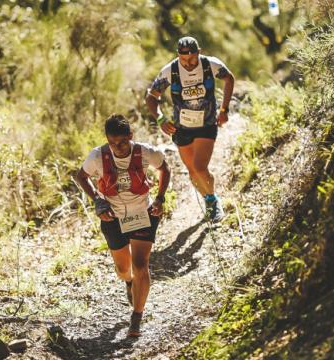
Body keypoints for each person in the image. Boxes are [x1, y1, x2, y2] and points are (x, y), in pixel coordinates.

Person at [74, 114, 171, 337]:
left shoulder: (146, 151)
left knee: (140, 265)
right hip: (112, 217)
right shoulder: (97, 156)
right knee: (123, 270)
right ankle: (128, 282)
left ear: (130, 136)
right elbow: (81, 176)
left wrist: (160, 198)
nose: (117, 147)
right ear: (107, 140)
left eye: (122, 142)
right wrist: (97, 200)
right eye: (112, 143)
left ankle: (136, 317)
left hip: (142, 213)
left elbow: (164, 169)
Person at [145, 36, 234, 222]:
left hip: (206, 124)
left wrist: (224, 109)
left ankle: (212, 200)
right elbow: (151, 97)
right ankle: (207, 198)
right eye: (184, 59)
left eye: (192, 58)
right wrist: (160, 118)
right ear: (178, 55)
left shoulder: (210, 65)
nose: (188, 63)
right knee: (193, 171)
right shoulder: (171, 70)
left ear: (199, 52)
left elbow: (229, 78)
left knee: (200, 167)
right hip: (181, 128)